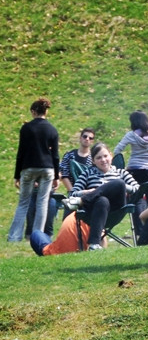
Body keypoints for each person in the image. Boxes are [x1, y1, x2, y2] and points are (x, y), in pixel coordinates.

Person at [64, 142, 139, 251]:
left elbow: (137, 188)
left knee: (119, 183)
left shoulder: (121, 172)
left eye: (105, 156)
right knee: (102, 200)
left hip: (117, 208)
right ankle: (94, 244)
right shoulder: (87, 173)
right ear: (93, 161)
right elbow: (73, 193)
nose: (103, 160)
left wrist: (121, 187)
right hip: (95, 210)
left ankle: (83, 200)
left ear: (111, 156)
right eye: (99, 158)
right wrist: (87, 191)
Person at [8, 98, 60, 243]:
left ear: (33, 111)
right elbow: (55, 155)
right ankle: (38, 238)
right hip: (47, 169)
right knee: (42, 202)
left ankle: (14, 237)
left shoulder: (26, 128)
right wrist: (56, 175)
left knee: (23, 202)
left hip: (28, 168)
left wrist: (17, 175)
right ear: (46, 111)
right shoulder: (52, 129)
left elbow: (21, 152)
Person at [114, 111, 148, 245]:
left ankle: (140, 232)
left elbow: (117, 150)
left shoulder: (131, 135)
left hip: (133, 172)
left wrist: (121, 168)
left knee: (135, 202)